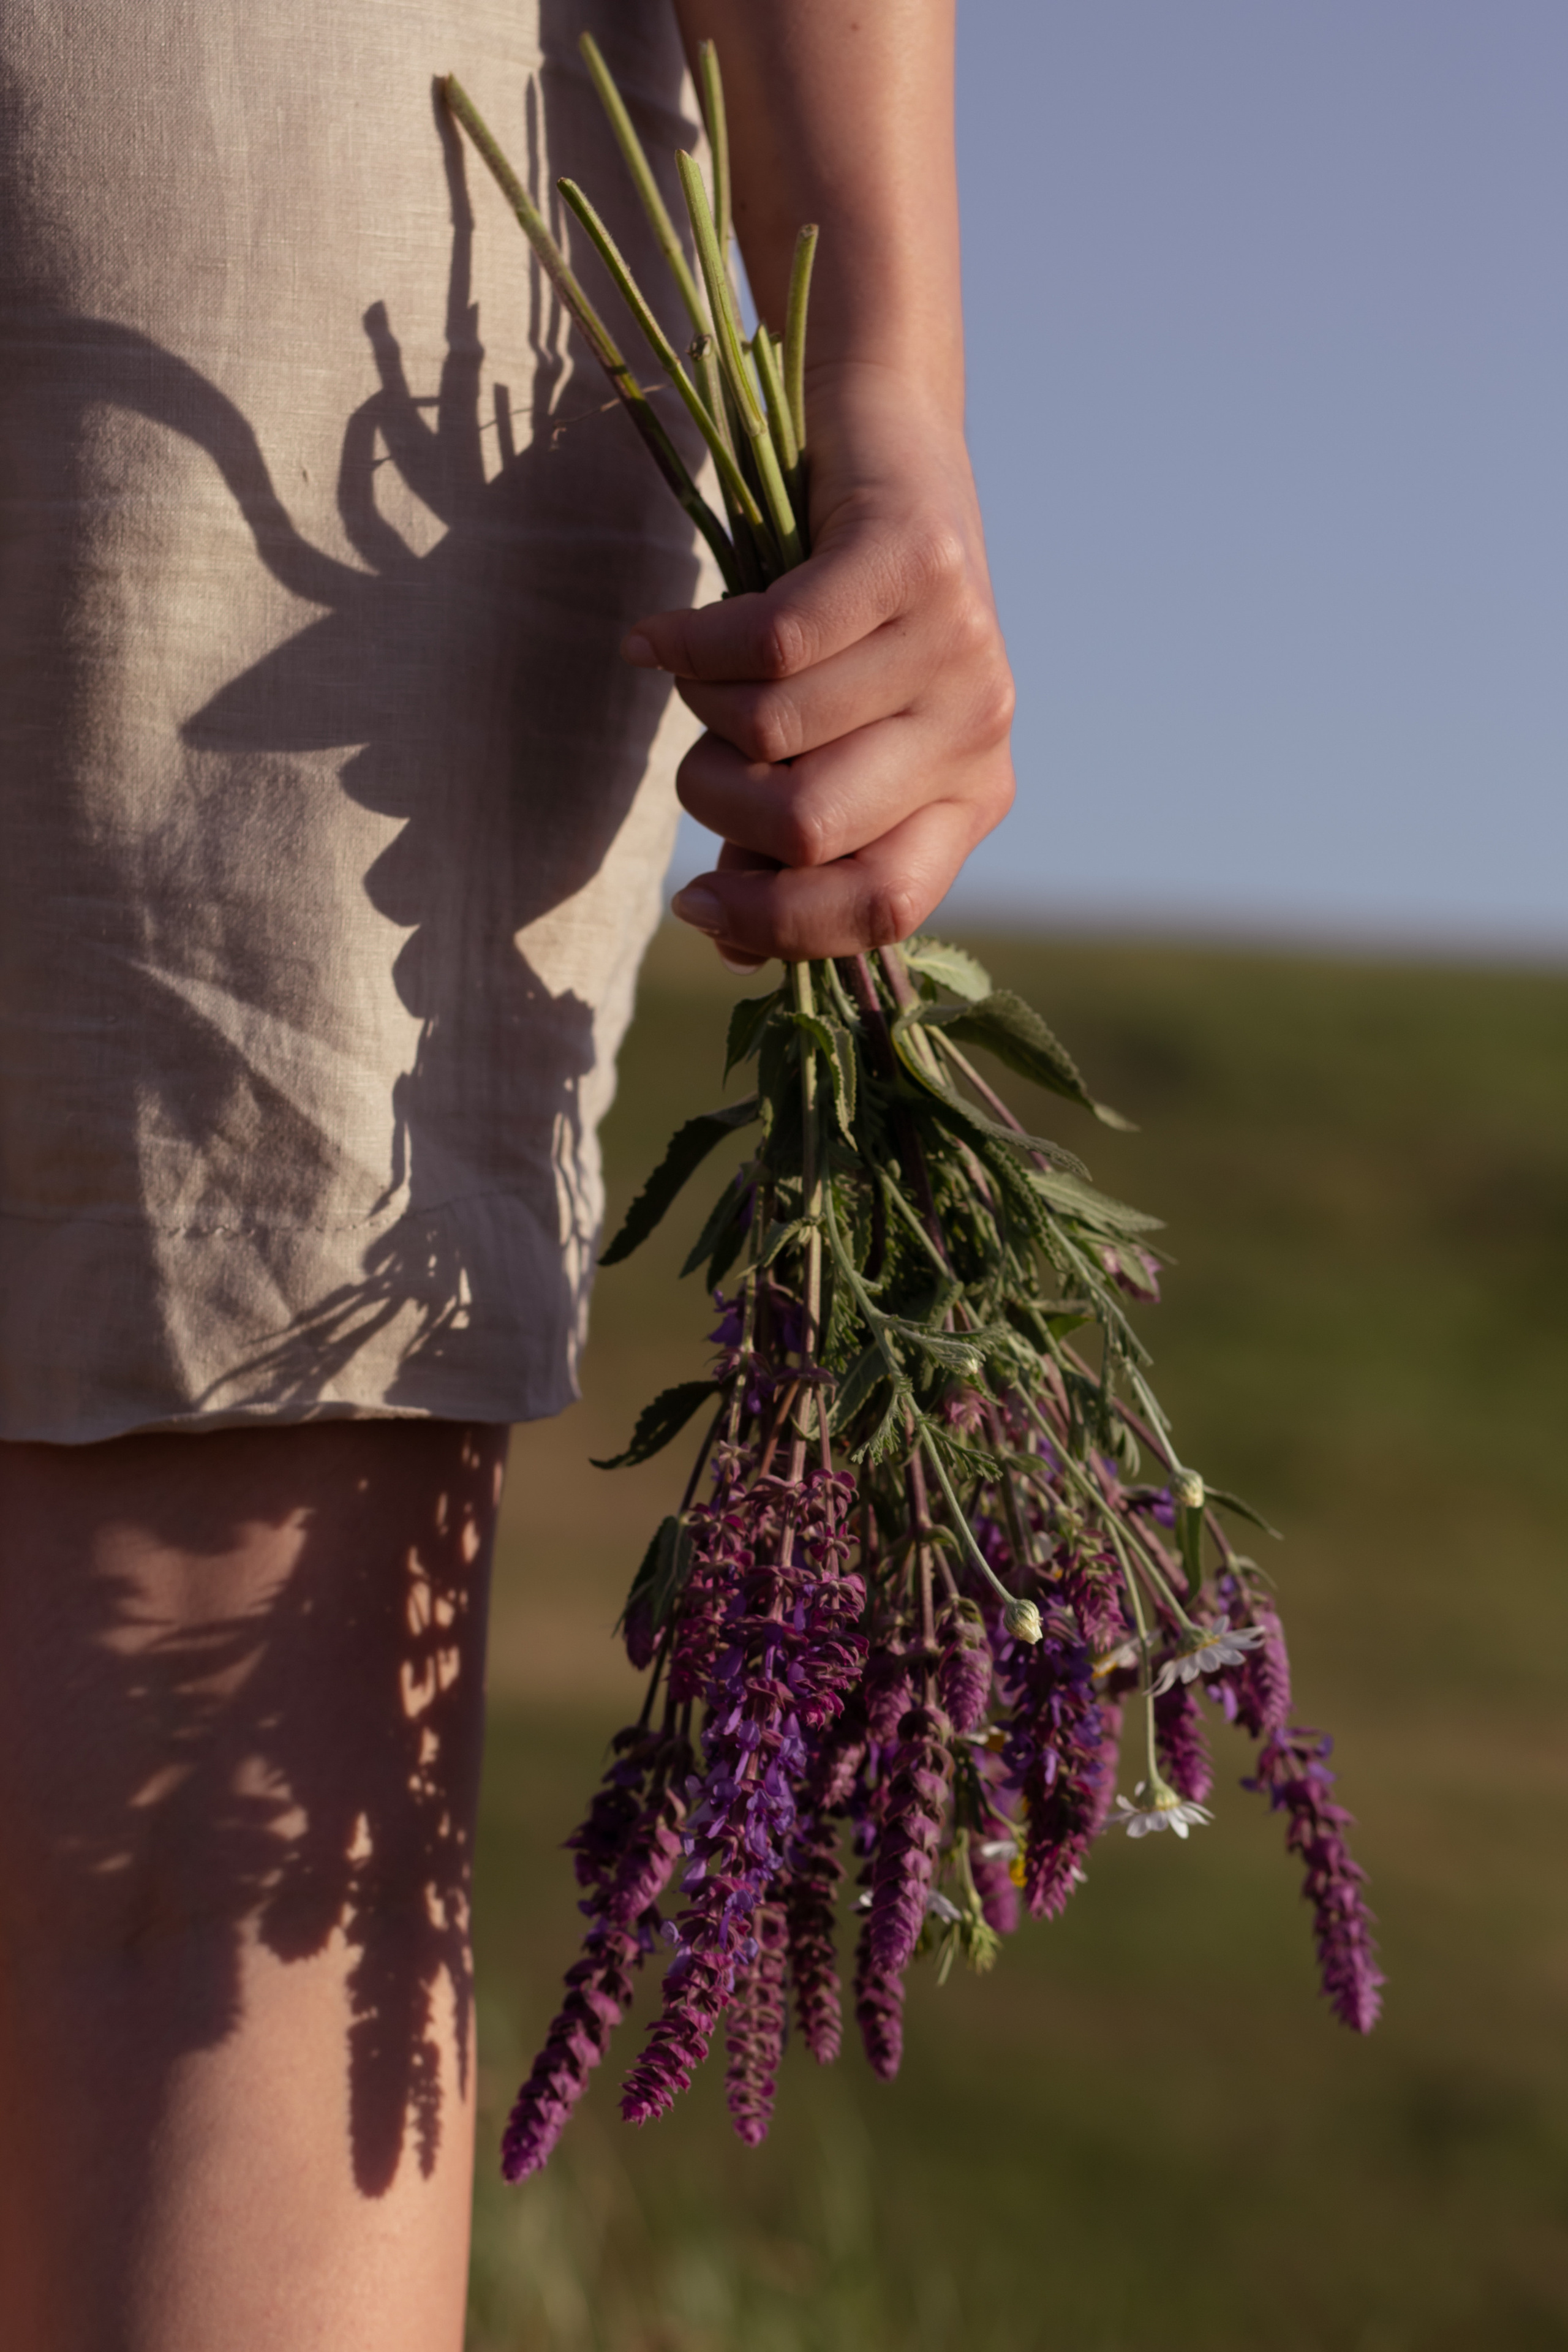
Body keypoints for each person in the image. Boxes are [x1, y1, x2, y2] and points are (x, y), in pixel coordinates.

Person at [0, 0, 1013, 2342]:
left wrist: (879, 349)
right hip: (264, 234)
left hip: (245, 240)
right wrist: (880, 354)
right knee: (184, 1886)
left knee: (189, 1844)